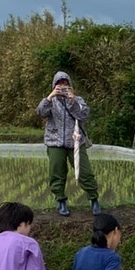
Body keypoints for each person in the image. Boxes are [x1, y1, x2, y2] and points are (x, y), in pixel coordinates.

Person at [37, 70, 101, 218]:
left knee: (85, 172)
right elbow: (41, 112)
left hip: (76, 142)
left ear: (70, 86)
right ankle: (61, 201)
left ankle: (94, 199)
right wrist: (50, 96)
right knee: (56, 172)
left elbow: (84, 114)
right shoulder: (50, 101)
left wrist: (72, 101)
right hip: (55, 141)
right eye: (59, 85)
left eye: (65, 84)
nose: (62, 87)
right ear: (54, 86)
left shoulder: (78, 100)